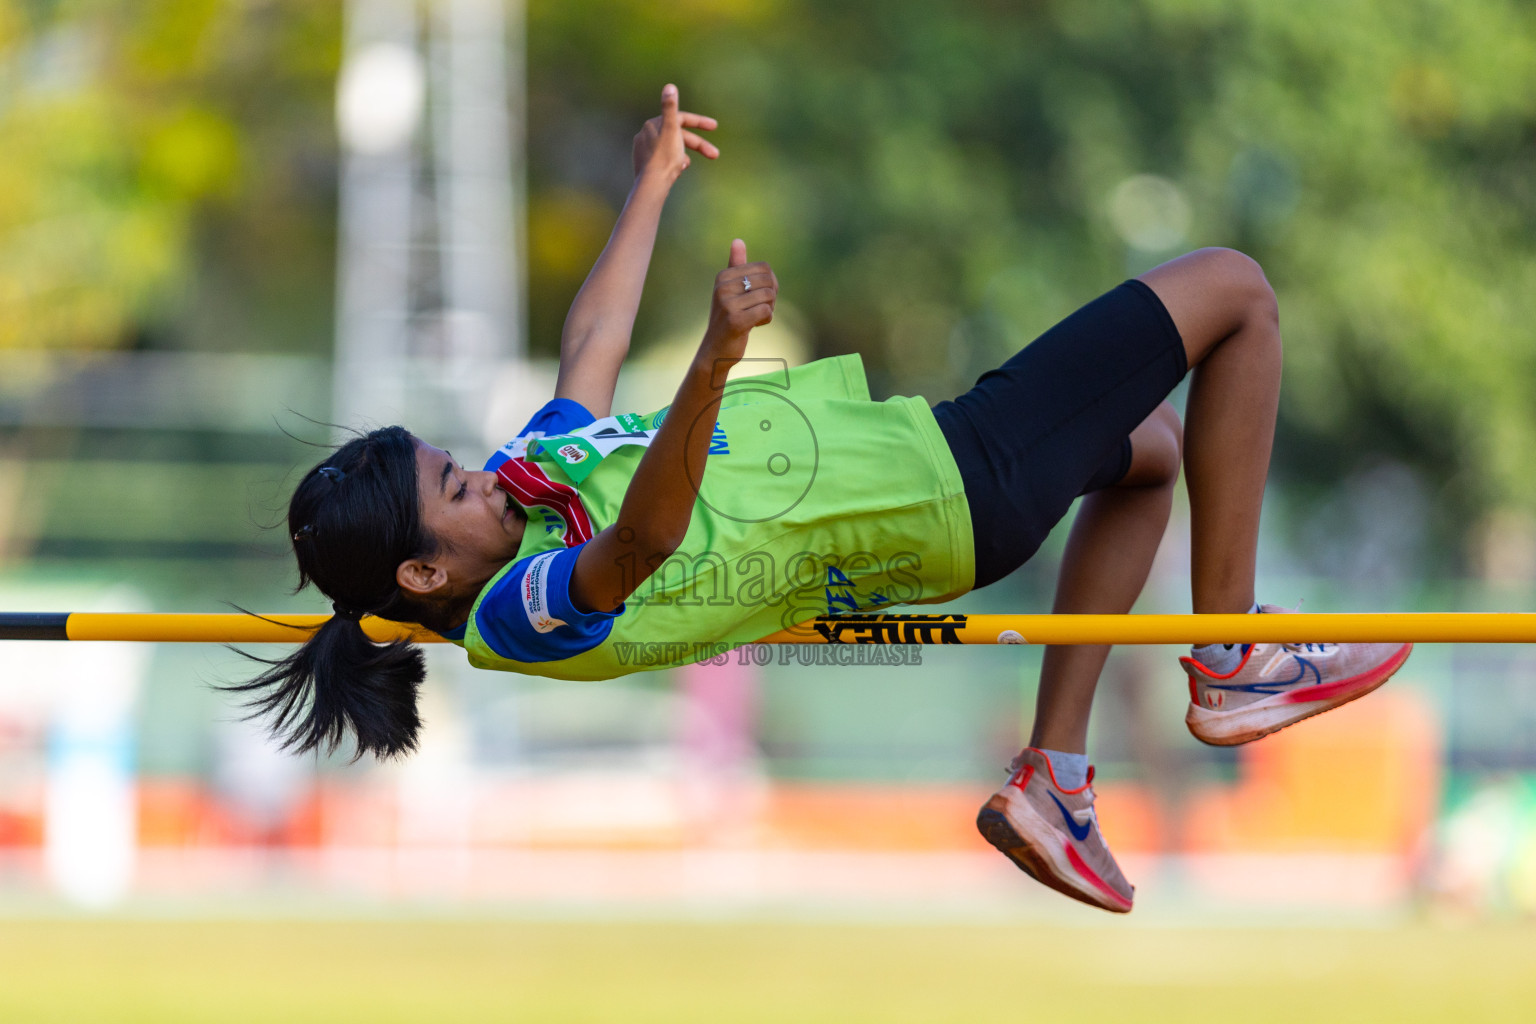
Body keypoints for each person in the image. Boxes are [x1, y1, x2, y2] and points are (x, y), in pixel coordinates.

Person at [235, 84, 1412, 913]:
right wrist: (713, 356)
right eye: (453, 488)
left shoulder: (530, 491)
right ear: (426, 573)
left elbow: (587, 346)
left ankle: (1055, 777)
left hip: (932, 468)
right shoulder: (520, 609)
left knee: (1149, 452)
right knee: (1234, 290)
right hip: (946, 485)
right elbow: (641, 540)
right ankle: (1234, 652)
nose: (480, 473)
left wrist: (648, 186)